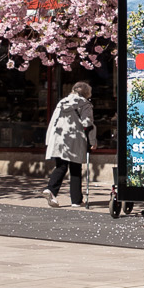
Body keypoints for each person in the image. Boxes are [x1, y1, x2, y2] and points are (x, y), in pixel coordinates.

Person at [45, 80, 94, 209]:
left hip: (59, 138)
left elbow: (53, 121)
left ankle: (51, 190)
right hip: (75, 139)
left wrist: (49, 139)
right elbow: (87, 124)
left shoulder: (62, 102)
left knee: (61, 166)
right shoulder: (85, 104)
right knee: (76, 169)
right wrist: (93, 141)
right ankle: (76, 200)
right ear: (86, 93)